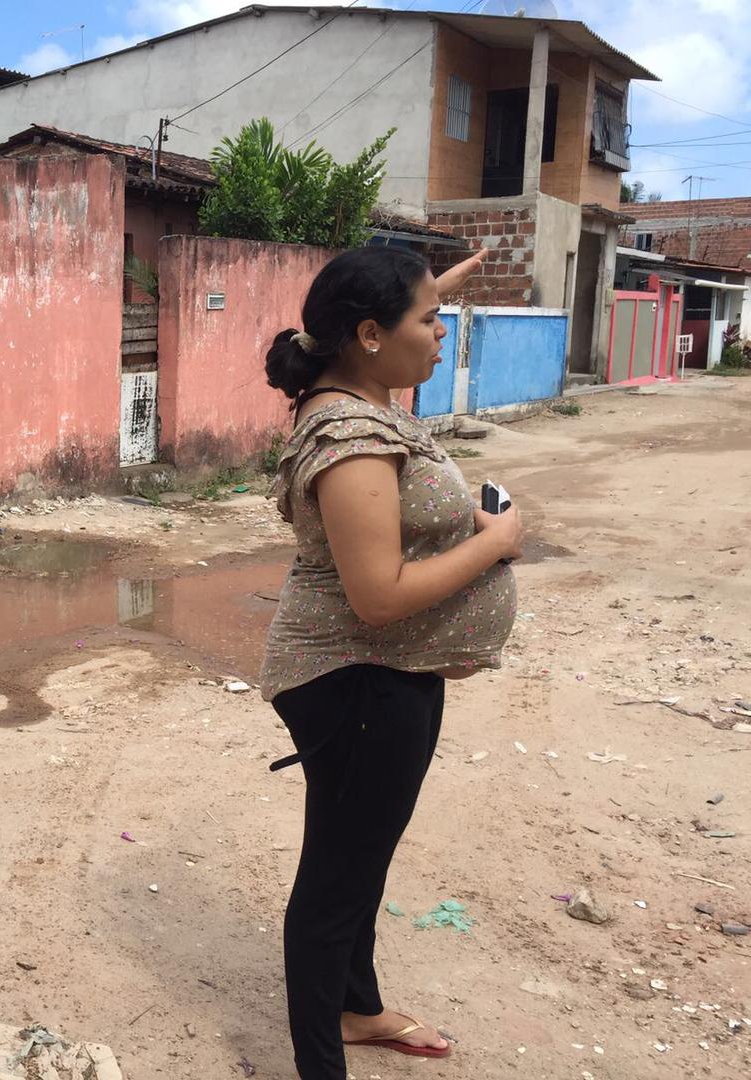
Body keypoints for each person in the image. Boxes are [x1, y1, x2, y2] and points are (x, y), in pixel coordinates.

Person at [259, 245, 522, 1080]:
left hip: (389, 672)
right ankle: (320, 1061)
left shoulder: (361, 382)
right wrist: (498, 544)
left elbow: (384, 319)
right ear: (369, 336)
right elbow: (379, 594)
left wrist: (430, 283)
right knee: (336, 879)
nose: (442, 334)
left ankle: (358, 1007)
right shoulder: (350, 438)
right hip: (355, 677)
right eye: (430, 321)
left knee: (362, 851)